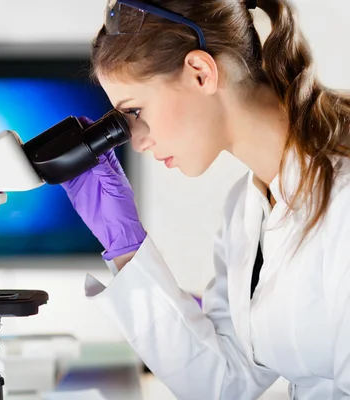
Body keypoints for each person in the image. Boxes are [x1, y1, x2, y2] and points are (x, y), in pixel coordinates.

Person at [60, 0, 350, 399]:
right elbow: (223, 381)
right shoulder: (247, 208)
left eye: (136, 110)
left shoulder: (343, 203)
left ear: (201, 73)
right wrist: (125, 244)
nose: (139, 141)